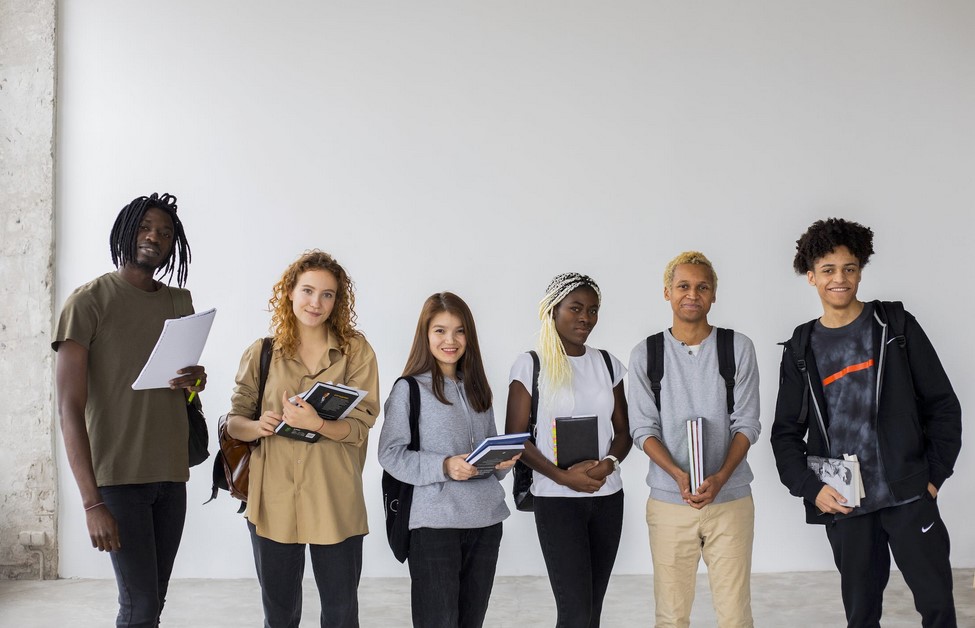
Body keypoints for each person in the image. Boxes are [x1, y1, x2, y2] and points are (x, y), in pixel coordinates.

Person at [771, 218, 961, 627]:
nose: (840, 279)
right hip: (847, 505)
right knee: (860, 617)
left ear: (860, 271)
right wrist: (811, 489)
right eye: (828, 270)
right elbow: (784, 433)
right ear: (811, 277)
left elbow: (943, 405)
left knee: (938, 608)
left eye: (849, 268)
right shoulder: (801, 347)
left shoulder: (893, 325)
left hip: (908, 497)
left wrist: (933, 478)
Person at [54, 192, 207, 627]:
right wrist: (90, 504)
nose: (154, 237)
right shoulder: (88, 303)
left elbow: (184, 394)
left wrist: (194, 384)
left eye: (165, 231)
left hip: (170, 476)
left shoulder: (180, 302)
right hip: (118, 479)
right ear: (125, 231)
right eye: (144, 227)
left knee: (151, 603)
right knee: (138, 607)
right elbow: (68, 409)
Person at [226, 250, 379, 628]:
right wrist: (259, 425)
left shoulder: (355, 351)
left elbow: (361, 426)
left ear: (337, 301)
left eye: (327, 294)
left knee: (341, 614)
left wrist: (318, 424)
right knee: (279, 616)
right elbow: (233, 422)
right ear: (289, 292)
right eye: (308, 290)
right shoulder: (261, 353)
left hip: (334, 496)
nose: (316, 303)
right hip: (272, 499)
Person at [627, 251, 761, 628]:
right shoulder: (646, 354)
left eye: (702, 287)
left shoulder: (737, 348)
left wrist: (720, 477)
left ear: (714, 294)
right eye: (683, 286)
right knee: (671, 615)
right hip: (670, 502)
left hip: (730, 499)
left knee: (735, 614)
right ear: (667, 293)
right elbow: (643, 429)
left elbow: (747, 423)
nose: (692, 294)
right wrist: (677, 475)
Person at [378, 292, 519, 628]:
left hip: (485, 522)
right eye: (439, 330)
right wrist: (444, 465)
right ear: (425, 335)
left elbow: (486, 452)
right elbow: (390, 454)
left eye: (459, 331)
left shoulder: (478, 388)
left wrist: (500, 464)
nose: (450, 340)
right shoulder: (408, 389)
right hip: (434, 526)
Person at [504, 272, 631, 628]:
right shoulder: (531, 364)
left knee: (592, 610)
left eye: (592, 310)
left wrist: (607, 465)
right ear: (552, 310)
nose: (585, 318)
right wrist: (563, 477)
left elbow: (624, 433)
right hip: (556, 500)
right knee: (574, 612)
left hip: (607, 498)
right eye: (575, 308)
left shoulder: (608, 363)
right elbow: (514, 438)